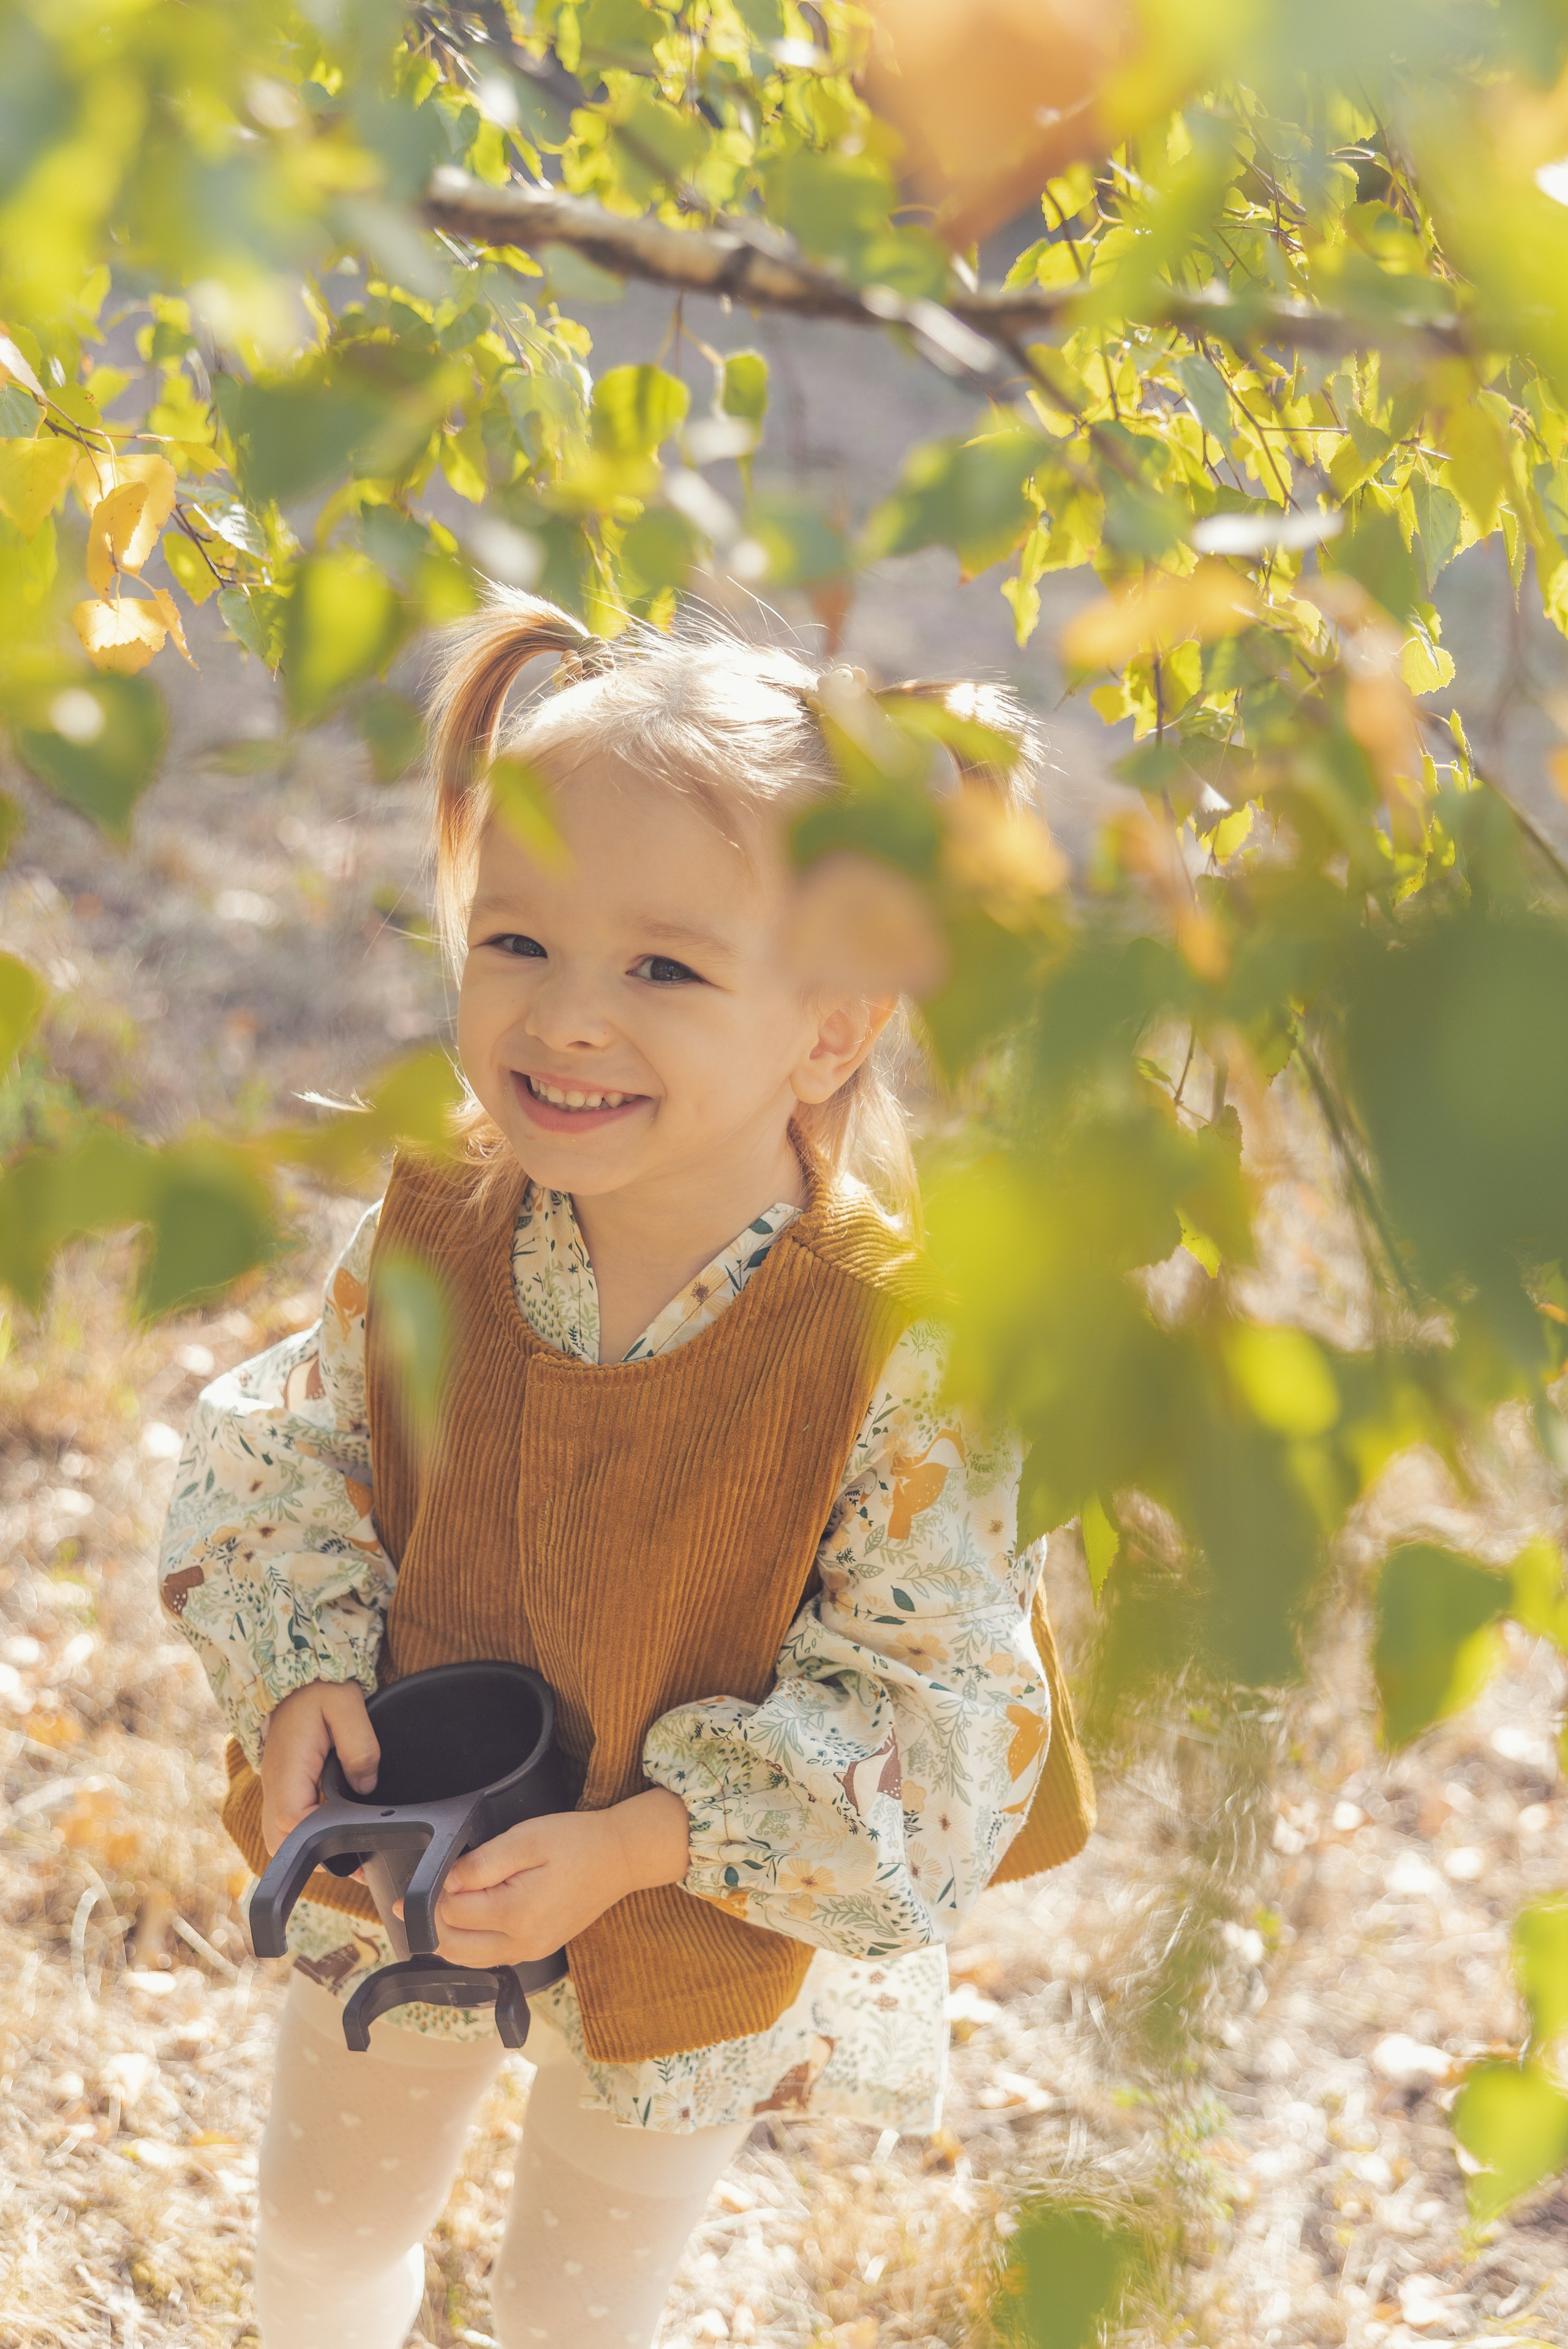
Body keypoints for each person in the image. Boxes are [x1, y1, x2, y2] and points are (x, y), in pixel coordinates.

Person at [157, 595, 1096, 2349]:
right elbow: (288, 1457)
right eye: (517, 941)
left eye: (663, 967)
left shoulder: (898, 1352)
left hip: (687, 1907)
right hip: (411, 1841)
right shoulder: (438, 1236)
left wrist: (645, 1838)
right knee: (317, 2231)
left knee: (576, 2316)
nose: (568, 1017)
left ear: (829, 1029)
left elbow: (927, 1707)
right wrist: (298, 1675)